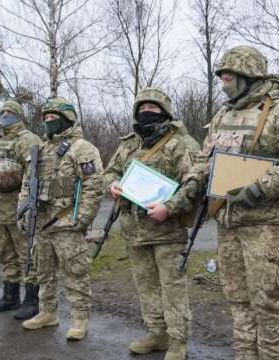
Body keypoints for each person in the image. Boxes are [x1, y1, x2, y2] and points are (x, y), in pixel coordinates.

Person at [197, 45, 279, 360]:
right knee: (238, 301)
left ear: (248, 76)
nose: (223, 83)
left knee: (267, 303)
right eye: (221, 77)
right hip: (228, 224)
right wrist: (189, 188)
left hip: (264, 225)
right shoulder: (224, 113)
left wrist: (257, 188)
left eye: (228, 76)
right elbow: (204, 161)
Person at [104, 88, 200, 360]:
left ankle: (178, 341)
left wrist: (170, 207)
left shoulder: (181, 143)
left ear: (165, 112)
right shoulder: (129, 143)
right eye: (142, 108)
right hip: (134, 230)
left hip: (167, 230)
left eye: (153, 108)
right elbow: (110, 171)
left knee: (172, 288)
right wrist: (111, 184)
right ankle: (156, 334)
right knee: (145, 286)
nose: (147, 112)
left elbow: (195, 181)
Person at [19, 97, 103, 342]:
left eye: (53, 117)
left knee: (75, 271)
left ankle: (80, 318)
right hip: (41, 221)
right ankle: (47, 312)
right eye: (45, 118)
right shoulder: (40, 150)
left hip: (66, 221)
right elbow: (26, 184)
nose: (48, 121)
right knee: (43, 270)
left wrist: (83, 218)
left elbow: (94, 185)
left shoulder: (82, 148)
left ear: (67, 118)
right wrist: (22, 212)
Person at [0, 101, 42, 319]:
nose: (5, 115)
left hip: (18, 207)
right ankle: (10, 296)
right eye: (3, 112)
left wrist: (28, 205)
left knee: (26, 254)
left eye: (10, 112)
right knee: (5, 254)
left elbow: (33, 173)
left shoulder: (28, 139)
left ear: (18, 115)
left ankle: (32, 299)